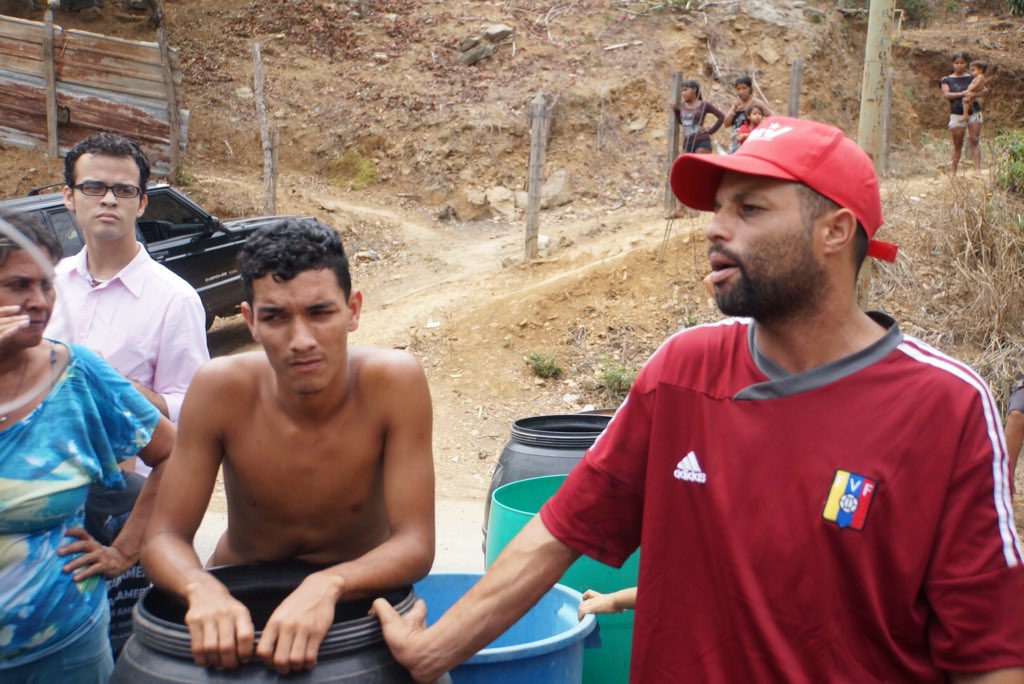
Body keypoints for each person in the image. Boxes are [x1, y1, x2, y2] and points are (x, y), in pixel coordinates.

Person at [372, 117, 1024, 683]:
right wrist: (437, 650)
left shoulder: (945, 406)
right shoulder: (683, 374)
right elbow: (556, 534)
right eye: (717, 209)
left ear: (834, 231)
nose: (714, 229)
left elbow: (988, 651)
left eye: (749, 208)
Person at [141, 218, 435, 676]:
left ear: (353, 310)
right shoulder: (220, 388)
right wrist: (200, 588)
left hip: (360, 603)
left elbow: (415, 544)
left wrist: (331, 582)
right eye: (276, 317)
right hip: (240, 600)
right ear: (250, 321)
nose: (301, 341)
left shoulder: (394, 382)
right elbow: (163, 537)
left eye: (320, 312)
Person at [43, 131, 209, 657]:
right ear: (69, 197)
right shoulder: (46, 285)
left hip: (123, 505)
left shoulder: (173, 300)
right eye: (93, 187)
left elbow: (194, 412)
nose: (108, 199)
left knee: (120, 648)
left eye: (123, 189)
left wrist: (133, 397)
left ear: (142, 201)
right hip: (40, 499)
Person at [0, 212, 173, 683]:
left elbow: (173, 452)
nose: (39, 303)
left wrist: (123, 551)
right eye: (18, 285)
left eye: (46, 285)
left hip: (65, 642)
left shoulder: (75, 373)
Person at [941, 52, 988, 174]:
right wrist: (963, 94)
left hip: (974, 111)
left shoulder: (973, 77)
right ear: (952, 64)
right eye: (956, 63)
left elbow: (985, 90)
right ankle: (953, 173)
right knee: (957, 144)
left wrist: (974, 94)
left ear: (966, 64)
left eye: (962, 63)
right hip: (956, 113)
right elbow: (947, 95)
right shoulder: (946, 80)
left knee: (975, 140)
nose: (959, 65)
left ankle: (977, 171)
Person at [670, 79, 724, 156]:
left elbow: (721, 117)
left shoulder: (703, 104)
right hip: (687, 143)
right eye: (682, 91)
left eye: (685, 90)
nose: (683, 93)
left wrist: (710, 130)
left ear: (694, 90)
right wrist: (676, 112)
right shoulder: (681, 106)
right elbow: (684, 123)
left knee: (700, 166)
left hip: (702, 141)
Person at [723, 75, 774, 153]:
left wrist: (761, 126)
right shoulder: (736, 104)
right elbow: (726, 124)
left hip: (751, 142)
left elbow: (773, 118)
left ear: (750, 88)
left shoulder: (756, 103)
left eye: (744, 88)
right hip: (736, 142)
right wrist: (734, 108)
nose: (741, 91)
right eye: (738, 89)